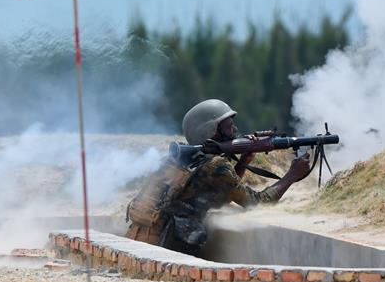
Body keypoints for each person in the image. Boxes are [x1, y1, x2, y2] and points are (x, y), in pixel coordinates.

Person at [125, 99, 312, 255]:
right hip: (167, 249)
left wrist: (244, 160)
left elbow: (220, 192)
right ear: (212, 131)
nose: (235, 130)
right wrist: (291, 175)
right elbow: (257, 202)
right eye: (229, 126)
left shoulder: (181, 158)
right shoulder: (216, 166)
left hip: (142, 240)